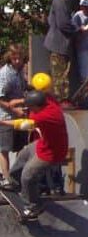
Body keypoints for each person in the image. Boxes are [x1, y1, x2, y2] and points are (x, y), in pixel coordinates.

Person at [0, 77, 68, 219]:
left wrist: (3, 122)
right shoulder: (48, 100)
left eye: (31, 108)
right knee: (23, 155)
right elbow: (35, 95)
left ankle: (33, 206)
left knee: (28, 175)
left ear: (37, 107)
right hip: (44, 143)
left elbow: (23, 124)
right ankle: (14, 182)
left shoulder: (44, 116)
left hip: (52, 152)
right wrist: (20, 101)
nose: (29, 110)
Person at [44, 0, 83, 104]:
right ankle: (61, 101)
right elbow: (63, 24)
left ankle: (63, 99)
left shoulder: (67, 0)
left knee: (63, 73)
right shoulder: (60, 0)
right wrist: (79, 29)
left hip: (63, 44)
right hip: (58, 44)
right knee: (60, 75)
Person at [0, 43, 28, 187]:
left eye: (19, 58)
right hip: (6, 116)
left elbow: (24, 87)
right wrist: (14, 110)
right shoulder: (5, 74)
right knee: (4, 148)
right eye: (14, 58)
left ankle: (16, 175)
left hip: (20, 115)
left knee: (21, 147)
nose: (17, 61)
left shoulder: (20, 71)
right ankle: (5, 177)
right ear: (9, 58)